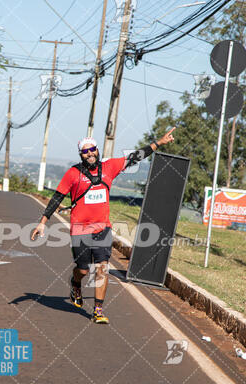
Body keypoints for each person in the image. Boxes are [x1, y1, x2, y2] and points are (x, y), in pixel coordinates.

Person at [31, 128, 176, 324]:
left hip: (102, 228)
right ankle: (75, 284)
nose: (90, 153)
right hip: (80, 229)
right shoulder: (73, 173)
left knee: (102, 268)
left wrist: (158, 143)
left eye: (92, 149)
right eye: (85, 151)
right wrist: (42, 223)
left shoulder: (109, 167)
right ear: (81, 154)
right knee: (82, 270)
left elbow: (134, 157)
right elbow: (58, 197)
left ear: (97, 150)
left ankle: (98, 310)